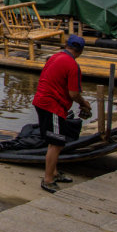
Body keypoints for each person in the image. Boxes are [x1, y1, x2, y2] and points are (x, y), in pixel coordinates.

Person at [32, 34, 91, 193]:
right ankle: (48, 179)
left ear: (66, 46)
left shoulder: (55, 57)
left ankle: (54, 172)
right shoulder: (72, 65)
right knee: (57, 143)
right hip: (52, 106)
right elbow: (73, 93)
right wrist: (84, 103)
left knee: (54, 140)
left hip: (42, 101)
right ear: (80, 51)